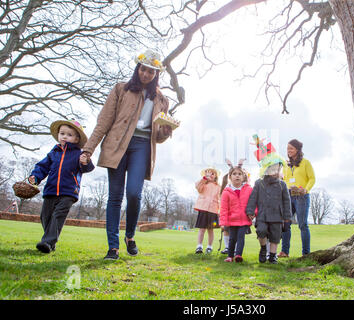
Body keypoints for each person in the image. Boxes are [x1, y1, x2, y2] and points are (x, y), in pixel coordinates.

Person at [81, 49, 173, 260]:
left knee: (134, 193)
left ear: (156, 74)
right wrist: (88, 149)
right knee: (114, 197)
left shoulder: (161, 99)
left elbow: (157, 136)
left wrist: (165, 133)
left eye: (151, 72)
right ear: (137, 68)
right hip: (117, 144)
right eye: (144, 69)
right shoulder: (120, 89)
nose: (146, 74)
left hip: (142, 146)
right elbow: (103, 121)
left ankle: (130, 236)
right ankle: (113, 247)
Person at [29, 119, 95, 253]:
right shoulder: (53, 153)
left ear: (77, 139)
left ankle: (47, 242)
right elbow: (42, 167)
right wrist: (35, 177)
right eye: (62, 133)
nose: (65, 136)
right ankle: (50, 243)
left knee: (58, 215)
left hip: (68, 192)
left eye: (69, 135)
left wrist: (85, 161)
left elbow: (87, 168)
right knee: (45, 216)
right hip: (51, 191)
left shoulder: (78, 154)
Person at [246, 156, 292, 264]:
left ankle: (272, 256)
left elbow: (286, 201)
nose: (275, 171)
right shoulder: (259, 183)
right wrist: (250, 211)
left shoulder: (282, 184)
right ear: (266, 169)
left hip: (277, 215)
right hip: (262, 215)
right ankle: (263, 249)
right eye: (272, 168)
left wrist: (287, 218)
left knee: (275, 236)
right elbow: (253, 198)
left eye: (277, 169)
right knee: (261, 231)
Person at [279, 139, 315, 258]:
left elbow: (312, 178)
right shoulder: (286, 165)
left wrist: (305, 189)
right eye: (287, 148)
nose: (288, 151)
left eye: (291, 148)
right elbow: (285, 180)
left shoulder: (306, 163)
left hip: (301, 196)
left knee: (303, 224)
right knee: (285, 223)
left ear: (298, 150)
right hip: (288, 196)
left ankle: (305, 253)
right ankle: (284, 252)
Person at [219, 159, 253, 263]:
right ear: (230, 177)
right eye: (234, 174)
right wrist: (223, 222)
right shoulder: (226, 192)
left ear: (243, 177)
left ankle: (238, 255)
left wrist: (253, 213)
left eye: (239, 174)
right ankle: (230, 256)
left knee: (240, 237)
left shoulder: (249, 189)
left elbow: (253, 203)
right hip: (232, 220)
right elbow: (223, 209)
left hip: (244, 220)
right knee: (232, 238)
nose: (237, 176)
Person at [193, 167, 221, 254]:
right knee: (202, 229)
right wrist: (203, 179)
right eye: (208, 173)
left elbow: (220, 198)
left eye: (212, 173)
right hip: (203, 208)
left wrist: (220, 211)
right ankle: (199, 246)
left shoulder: (218, 187)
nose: (210, 175)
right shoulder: (203, 184)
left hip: (213, 210)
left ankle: (209, 247)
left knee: (210, 229)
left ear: (216, 176)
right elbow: (197, 187)